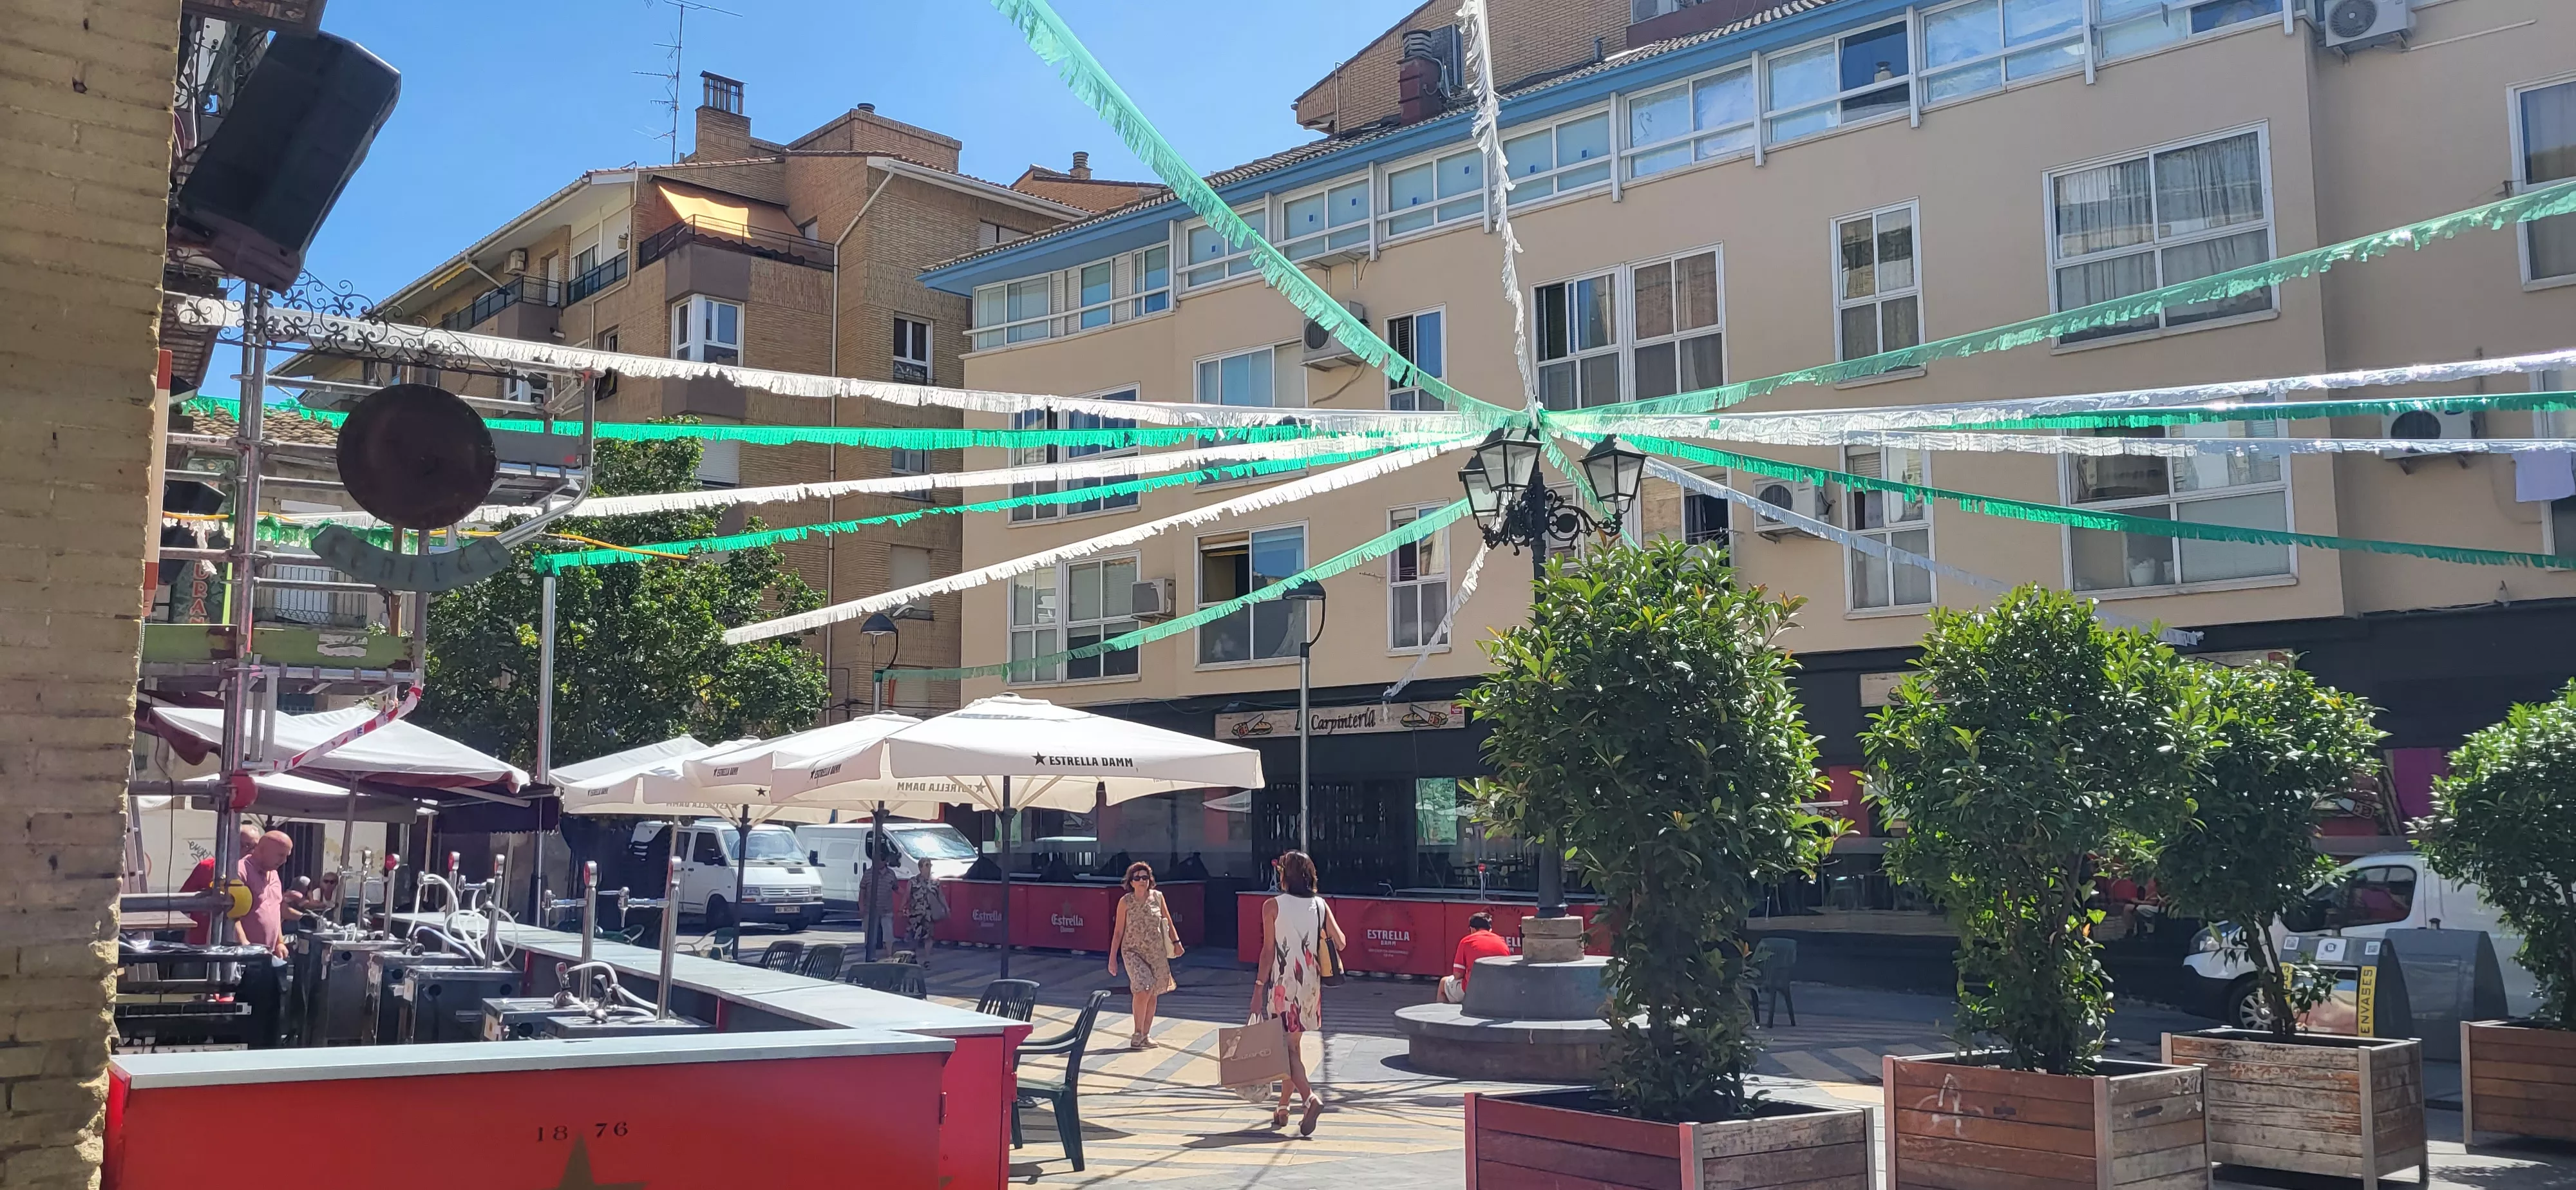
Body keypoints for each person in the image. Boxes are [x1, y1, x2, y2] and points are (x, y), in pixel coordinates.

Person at [1255, 850, 1342, 1137]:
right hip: (1310, 985)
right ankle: (1283, 1107)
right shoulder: (1320, 905)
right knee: (1292, 1047)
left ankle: (1309, 1099)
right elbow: (1341, 942)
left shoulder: (1272, 906)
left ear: (1284, 875)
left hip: (1283, 983)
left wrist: (1258, 988)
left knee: (1286, 1049)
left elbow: (1268, 951)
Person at [1106, 861, 1182, 1050]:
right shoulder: (1125, 902)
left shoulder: (1158, 897)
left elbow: (1168, 921)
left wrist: (1177, 942)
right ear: (1131, 882)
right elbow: (1118, 932)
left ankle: (1146, 1035)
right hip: (1133, 951)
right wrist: (1112, 958)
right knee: (1143, 987)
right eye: (1137, 878)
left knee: (1153, 992)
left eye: (1145, 877)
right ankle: (1137, 1033)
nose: (1142, 881)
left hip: (1156, 952)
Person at [236, 830, 294, 958]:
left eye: (286, 856)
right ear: (262, 849)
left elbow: (275, 909)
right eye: (280, 855)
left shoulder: (274, 873)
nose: (284, 861)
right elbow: (229, 914)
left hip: (267, 955)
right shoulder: (240, 871)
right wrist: (244, 944)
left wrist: (280, 942)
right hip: (242, 956)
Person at [1445, 911, 1511, 1002]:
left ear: (1472, 929)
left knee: (1443, 983)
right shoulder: (1502, 942)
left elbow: (1457, 975)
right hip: (1498, 990)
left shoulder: (1466, 941)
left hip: (1472, 989)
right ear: (1490, 929)